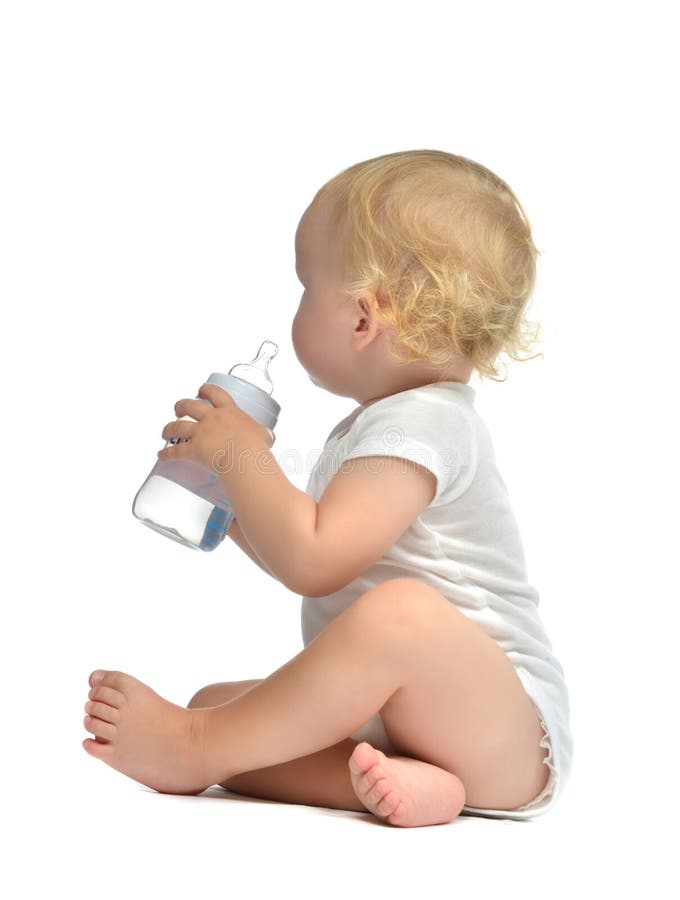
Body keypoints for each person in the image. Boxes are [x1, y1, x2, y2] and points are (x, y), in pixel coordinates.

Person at [82, 149, 573, 827]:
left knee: (399, 615)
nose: (299, 300)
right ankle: (408, 782)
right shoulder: (379, 425)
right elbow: (307, 558)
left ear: (363, 318)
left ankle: (195, 751)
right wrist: (228, 494)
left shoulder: (429, 424)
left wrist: (246, 458)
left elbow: (315, 559)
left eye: (306, 284)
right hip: (418, 720)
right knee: (216, 703)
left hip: (505, 728)